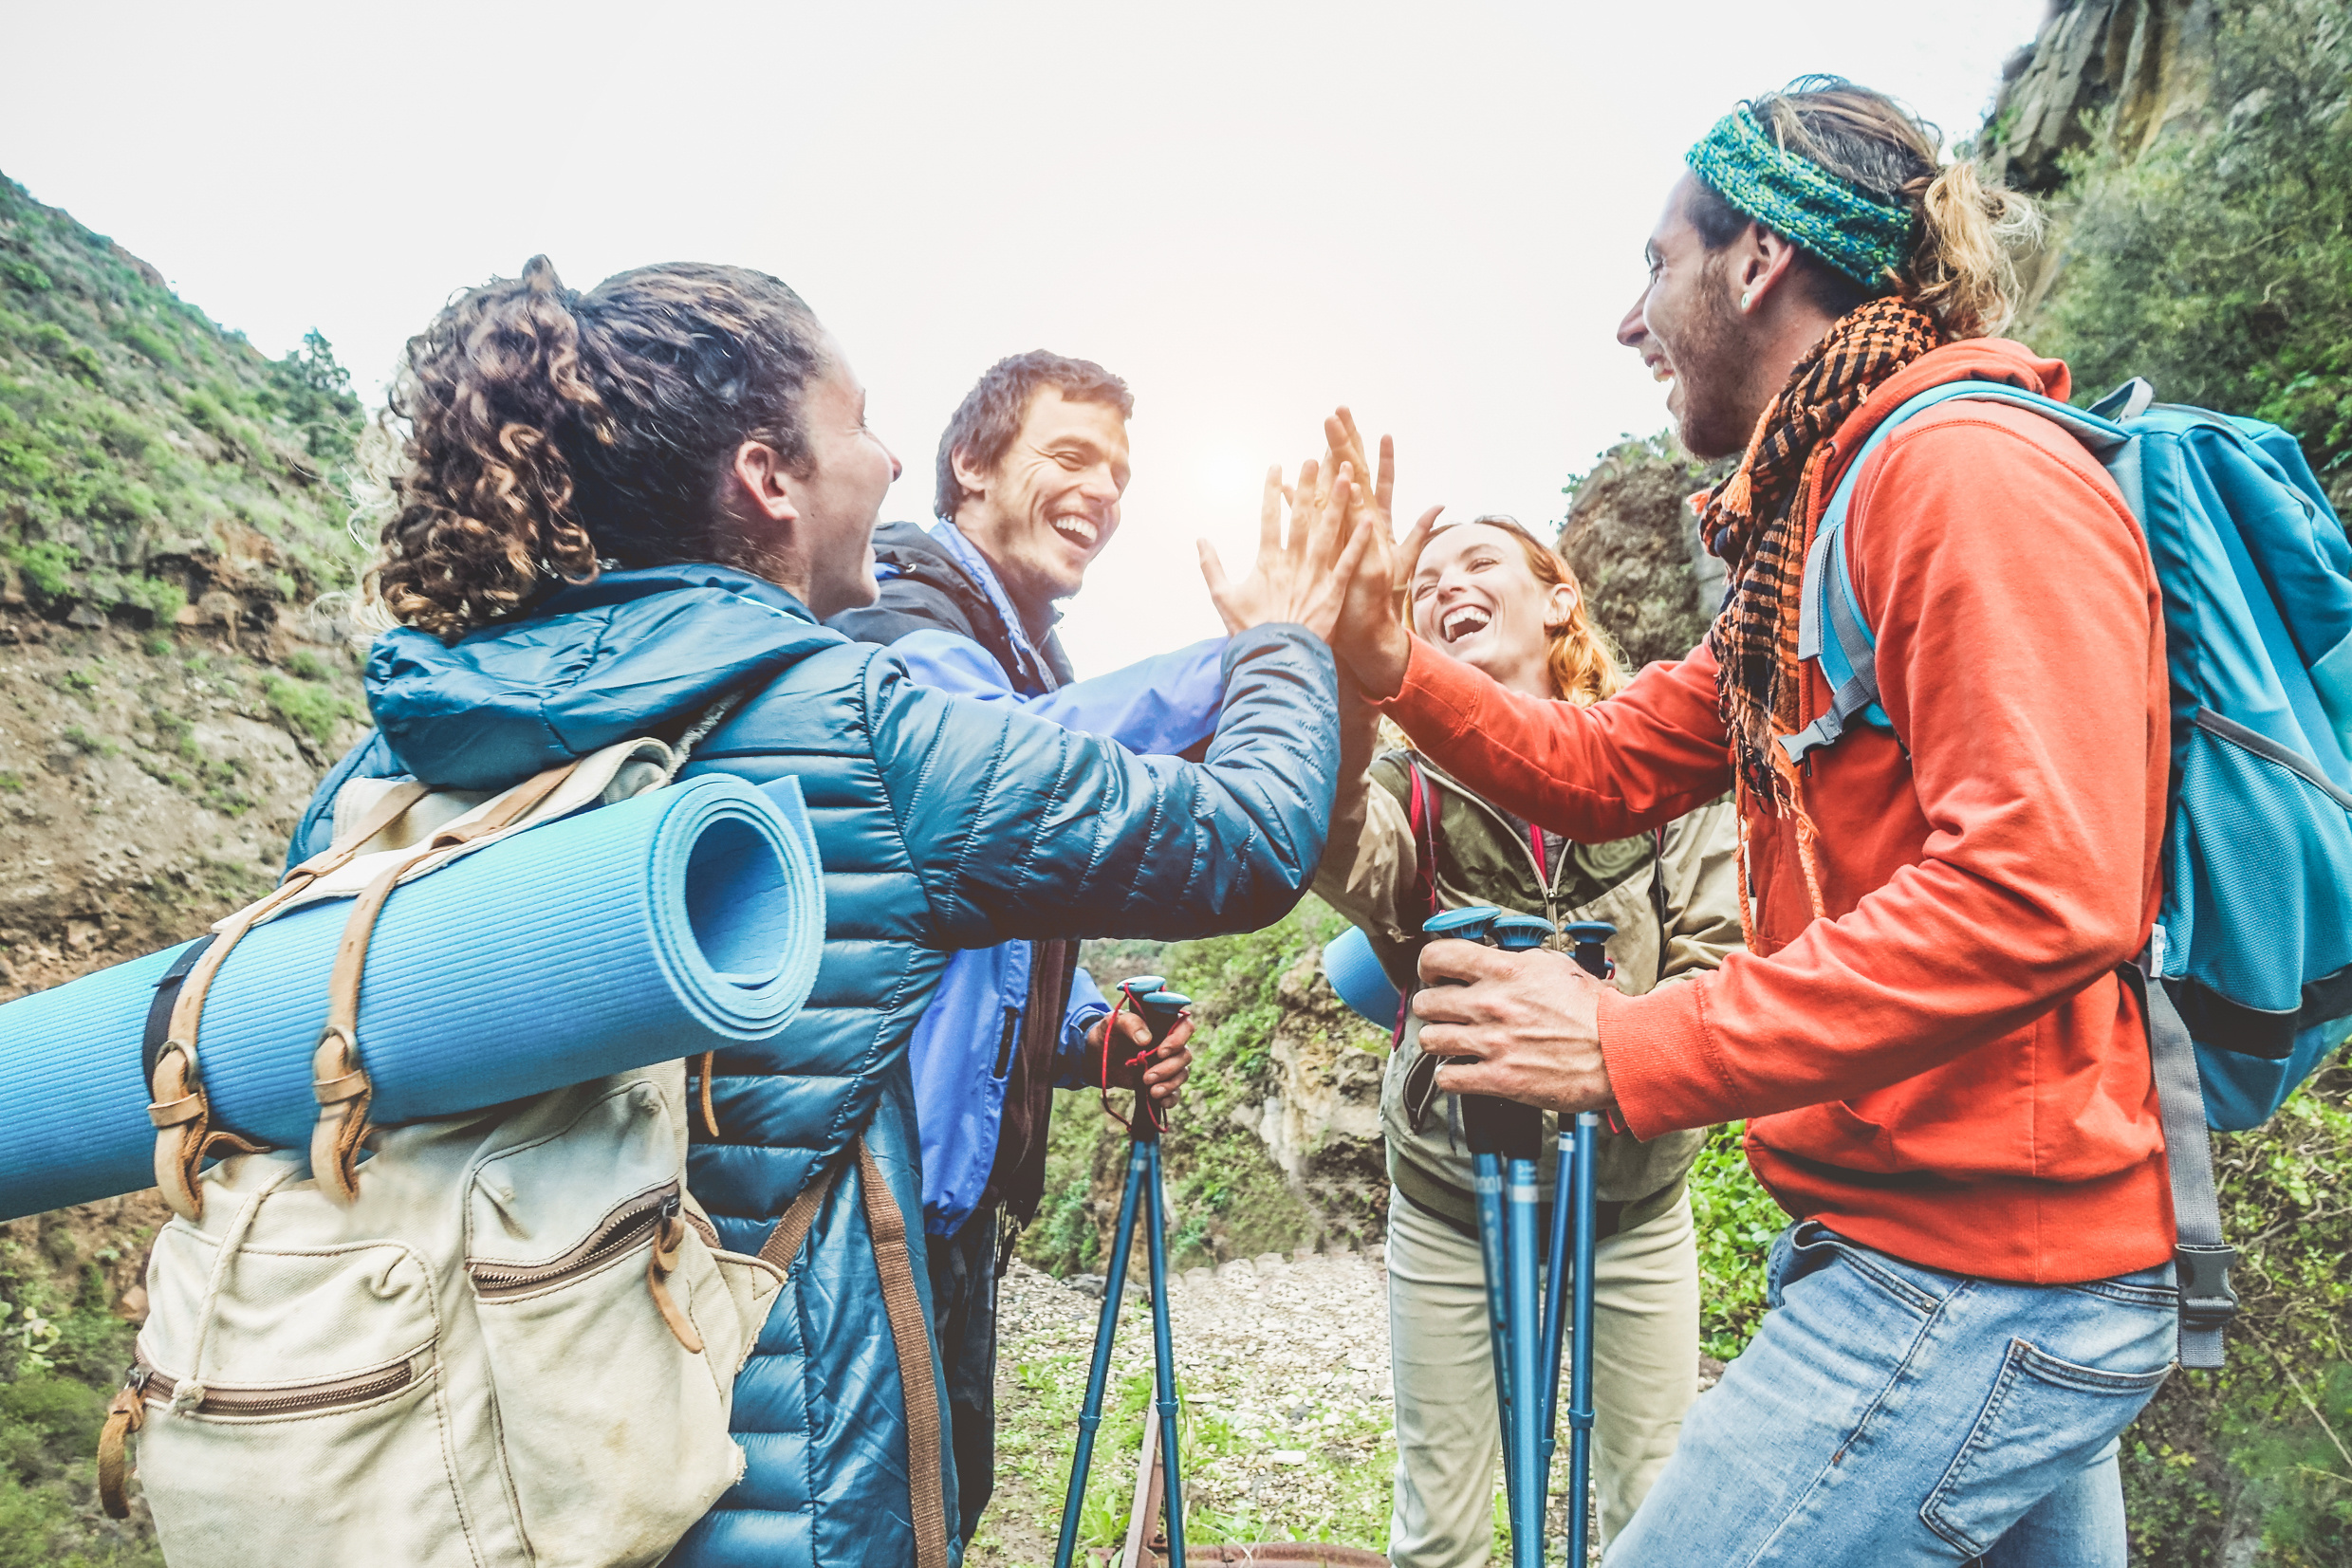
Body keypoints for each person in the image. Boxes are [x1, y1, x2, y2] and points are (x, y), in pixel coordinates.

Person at [292, 257, 1365, 1568]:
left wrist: (1077, 1041)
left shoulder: (397, 751)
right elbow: (1241, 842)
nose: (887, 458)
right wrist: (1287, 643)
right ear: (767, 476)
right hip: (774, 1431)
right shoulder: (852, 716)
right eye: (856, 422)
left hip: (478, 1425)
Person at [1325, 78, 2180, 1566]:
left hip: (1972, 1276)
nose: (1626, 319)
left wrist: (1624, 1041)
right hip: (1927, 1246)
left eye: (1650, 263)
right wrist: (1386, 665)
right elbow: (1596, 763)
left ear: (1756, 260)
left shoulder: (1957, 473)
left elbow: (2042, 888)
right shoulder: (1818, 525)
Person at [825, 350, 1230, 1543]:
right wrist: (1259, 661)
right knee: (879, 1522)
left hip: (945, 1204)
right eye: (1069, 455)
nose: (1102, 489)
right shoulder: (896, 613)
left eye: (1118, 469)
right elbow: (1017, 764)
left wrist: (1095, 1036)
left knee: (948, 1499)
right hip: (863, 1195)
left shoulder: (1014, 657)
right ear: (970, 466)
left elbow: (988, 960)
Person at [1310, 486, 1742, 1559]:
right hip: (1452, 1193)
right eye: (1423, 586)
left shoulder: (1659, 751)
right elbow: (1348, 864)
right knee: (1442, 1528)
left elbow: (1716, 954)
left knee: (1651, 1511)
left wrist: (1609, 1047)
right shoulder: (1405, 780)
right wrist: (1338, 694)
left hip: (1632, 1202)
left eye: (1474, 563)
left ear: (1559, 601)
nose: (1444, 585)